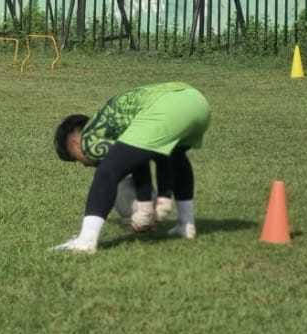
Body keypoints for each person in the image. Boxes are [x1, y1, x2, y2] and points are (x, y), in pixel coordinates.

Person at [53, 82, 211, 252]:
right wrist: (163, 199)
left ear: (74, 142)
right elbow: (161, 157)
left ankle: (85, 242)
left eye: (75, 157)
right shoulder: (117, 124)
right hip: (196, 102)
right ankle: (186, 226)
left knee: (107, 170)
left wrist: (144, 212)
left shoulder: (89, 139)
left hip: (167, 107)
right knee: (177, 156)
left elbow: (137, 164)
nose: (84, 164)